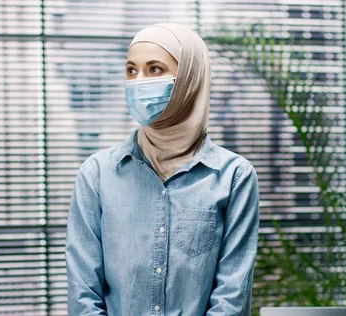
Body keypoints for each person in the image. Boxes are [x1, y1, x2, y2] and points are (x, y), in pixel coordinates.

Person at [66, 22, 260, 315]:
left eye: (154, 69)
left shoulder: (234, 176)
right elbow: (84, 292)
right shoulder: (96, 174)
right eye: (131, 70)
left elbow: (232, 295)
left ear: (189, 79)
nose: (138, 81)